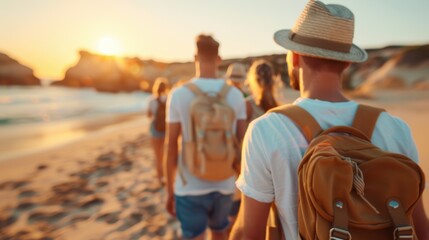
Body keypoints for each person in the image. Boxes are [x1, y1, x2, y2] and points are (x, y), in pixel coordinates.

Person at [230, 1, 429, 240]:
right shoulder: (396, 128)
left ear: (294, 58)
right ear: (347, 62)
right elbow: (419, 225)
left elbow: (249, 233)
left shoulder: (265, 130)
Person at [164, 34, 247, 240]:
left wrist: (169, 189)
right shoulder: (235, 95)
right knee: (220, 232)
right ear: (219, 59)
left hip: (189, 184)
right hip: (225, 183)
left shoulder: (179, 94)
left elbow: (171, 145)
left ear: (195, 57)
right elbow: (243, 143)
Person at [147, 77, 169, 186]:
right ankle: (168, 176)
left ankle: (160, 179)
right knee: (166, 154)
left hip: (155, 129)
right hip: (166, 128)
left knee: (157, 156)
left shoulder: (151, 100)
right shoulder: (168, 98)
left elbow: (149, 115)